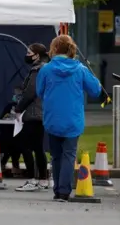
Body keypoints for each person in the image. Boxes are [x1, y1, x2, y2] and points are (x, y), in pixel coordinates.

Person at [36, 35, 101, 202]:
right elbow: (95, 91)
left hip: (52, 118)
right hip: (73, 118)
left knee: (56, 155)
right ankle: (64, 191)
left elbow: (39, 92)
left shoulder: (46, 69)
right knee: (69, 154)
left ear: (54, 49)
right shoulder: (80, 69)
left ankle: (57, 189)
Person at [14, 43, 50, 191]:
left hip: (33, 113)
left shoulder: (37, 71)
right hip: (42, 113)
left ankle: (32, 179)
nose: (27, 55)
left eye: (29, 52)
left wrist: (18, 108)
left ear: (36, 55)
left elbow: (30, 93)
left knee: (25, 146)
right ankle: (43, 179)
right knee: (38, 147)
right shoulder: (47, 68)